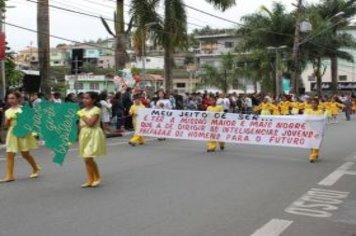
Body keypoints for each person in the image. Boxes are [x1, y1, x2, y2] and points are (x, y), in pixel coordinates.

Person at [0, 91, 41, 183]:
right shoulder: (7, 111)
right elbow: (6, 126)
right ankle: (9, 176)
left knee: (25, 154)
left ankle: (35, 168)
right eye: (9, 98)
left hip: (23, 132)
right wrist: (9, 121)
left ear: (18, 99)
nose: (10, 100)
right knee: (10, 153)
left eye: (13, 98)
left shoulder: (24, 109)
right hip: (12, 133)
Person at [77, 92, 106, 188]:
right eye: (83, 98)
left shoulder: (96, 110)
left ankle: (97, 178)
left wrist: (81, 114)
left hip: (93, 134)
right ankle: (90, 179)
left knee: (88, 157)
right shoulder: (82, 110)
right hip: (84, 134)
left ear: (93, 100)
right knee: (86, 159)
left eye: (87, 98)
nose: (84, 100)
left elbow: (91, 123)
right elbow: (80, 124)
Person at [304, 98, 324, 163]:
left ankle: (312, 156)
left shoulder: (320, 111)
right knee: (311, 143)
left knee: (316, 142)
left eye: (314, 103)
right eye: (312, 103)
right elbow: (305, 119)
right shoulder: (307, 111)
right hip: (309, 129)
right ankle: (315, 153)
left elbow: (322, 121)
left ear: (317, 104)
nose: (313, 104)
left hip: (318, 130)